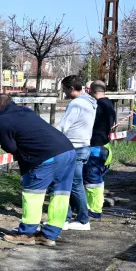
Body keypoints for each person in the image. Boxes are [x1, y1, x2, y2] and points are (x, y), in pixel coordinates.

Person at [0, 93, 76, 247]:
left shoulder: (2, 120)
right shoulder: (26, 111)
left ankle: (26, 234)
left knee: (33, 195)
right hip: (68, 151)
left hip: (45, 156)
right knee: (61, 196)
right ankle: (49, 235)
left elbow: (9, 146)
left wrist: (21, 154)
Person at [56, 76, 97, 231]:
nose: (64, 92)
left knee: (72, 185)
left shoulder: (76, 104)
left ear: (72, 88)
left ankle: (82, 220)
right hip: (83, 146)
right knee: (70, 184)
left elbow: (63, 126)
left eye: (65, 89)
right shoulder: (89, 102)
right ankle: (65, 218)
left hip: (74, 148)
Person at [83, 80, 117, 221]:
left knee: (92, 180)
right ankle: (95, 206)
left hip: (96, 147)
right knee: (97, 180)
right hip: (103, 146)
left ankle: (94, 210)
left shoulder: (98, 106)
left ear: (91, 90)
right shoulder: (109, 104)